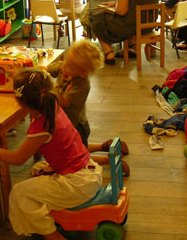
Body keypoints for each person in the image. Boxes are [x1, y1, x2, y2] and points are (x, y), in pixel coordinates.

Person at [0, 68, 102, 240]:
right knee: (37, 169)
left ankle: (54, 239)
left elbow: (18, 159)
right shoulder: (52, 104)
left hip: (78, 183)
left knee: (19, 193)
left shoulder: (41, 125)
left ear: (19, 102)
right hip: (87, 170)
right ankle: (46, 217)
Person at [46, 39, 130, 175]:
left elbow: (64, 102)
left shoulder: (82, 85)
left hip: (76, 125)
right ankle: (105, 146)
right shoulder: (67, 66)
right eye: (67, 60)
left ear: (82, 74)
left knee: (78, 156)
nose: (65, 66)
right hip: (66, 122)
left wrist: (46, 87)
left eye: (70, 66)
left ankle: (109, 160)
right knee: (78, 148)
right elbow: (49, 69)